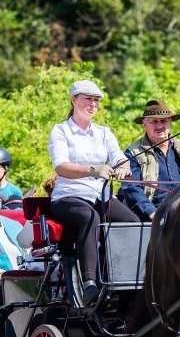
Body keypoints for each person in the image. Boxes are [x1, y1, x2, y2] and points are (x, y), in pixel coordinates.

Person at [48, 79, 139, 304]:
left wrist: (123, 166)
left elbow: (118, 156)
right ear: (73, 100)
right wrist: (92, 170)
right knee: (91, 217)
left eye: (96, 100)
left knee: (133, 221)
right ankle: (89, 283)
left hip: (99, 195)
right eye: (87, 99)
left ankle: (124, 278)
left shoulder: (104, 132)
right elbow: (61, 167)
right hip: (68, 197)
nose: (93, 104)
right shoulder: (61, 131)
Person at [121, 99, 180, 221]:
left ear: (170, 123)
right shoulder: (133, 152)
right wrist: (152, 212)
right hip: (155, 214)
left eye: (164, 121)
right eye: (154, 121)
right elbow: (131, 188)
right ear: (144, 124)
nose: (159, 126)